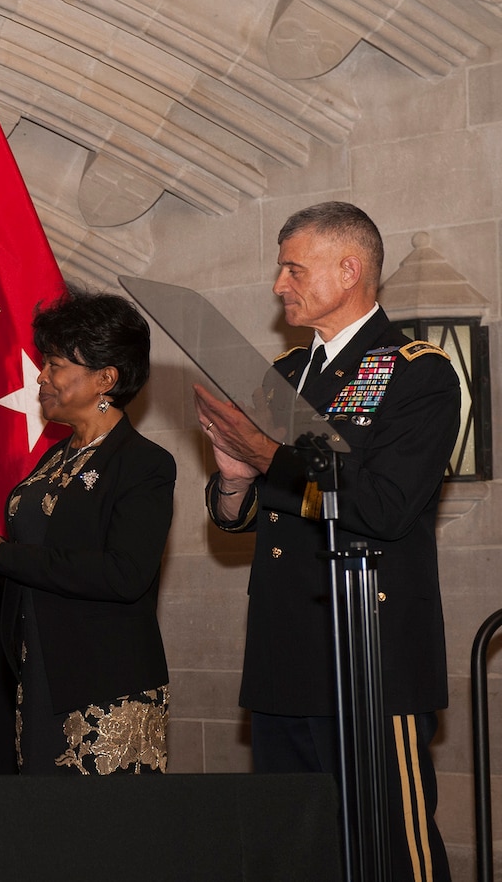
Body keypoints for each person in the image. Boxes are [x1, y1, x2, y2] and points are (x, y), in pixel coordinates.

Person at [194, 201, 457, 881]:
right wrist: (231, 478)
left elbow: (387, 507)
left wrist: (269, 457)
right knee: (293, 851)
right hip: (284, 652)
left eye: (293, 268)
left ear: (349, 269)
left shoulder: (415, 370)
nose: (279, 285)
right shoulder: (287, 373)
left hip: (366, 651)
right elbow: (247, 517)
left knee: (390, 852)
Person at [0, 287, 175, 775]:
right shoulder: (53, 458)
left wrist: (7, 556)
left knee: (103, 838)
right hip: (39, 675)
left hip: (105, 684)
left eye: (56, 365)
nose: (41, 377)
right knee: (46, 837)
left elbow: (123, 574)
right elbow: (42, 558)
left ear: (105, 379)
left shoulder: (144, 464)